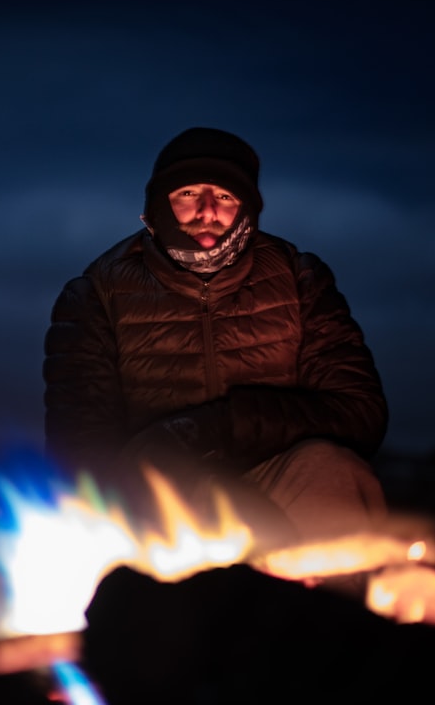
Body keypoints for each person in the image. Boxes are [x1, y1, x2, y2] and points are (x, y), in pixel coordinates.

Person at [43, 127, 388, 552]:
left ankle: (329, 612)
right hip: (159, 493)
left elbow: (358, 411)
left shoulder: (300, 279)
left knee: (331, 470)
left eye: (224, 196)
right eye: (188, 193)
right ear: (158, 203)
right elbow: (80, 445)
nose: (207, 212)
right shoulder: (97, 293)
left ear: (247, 207)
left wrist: (215, 428)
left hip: (271, 473)